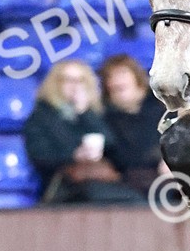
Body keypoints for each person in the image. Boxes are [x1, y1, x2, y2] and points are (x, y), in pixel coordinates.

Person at [23, 60, 142, 204]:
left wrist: (85, 113)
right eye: (68, 80)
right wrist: (74, 155)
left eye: (80, 81)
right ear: (55, 83)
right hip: (62, 185)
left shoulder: (93, 114)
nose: (75, 87)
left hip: (100, 181)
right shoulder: (41, 116)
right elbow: (40, 155)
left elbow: (112, 146)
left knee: (133, 199)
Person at [100, 53, 167, 195]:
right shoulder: (103, 116)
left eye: (122, 73)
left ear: (136, 77)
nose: (117, 81)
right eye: (111, 76)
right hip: (125, 181)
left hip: (167, 177)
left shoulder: (163, 106)